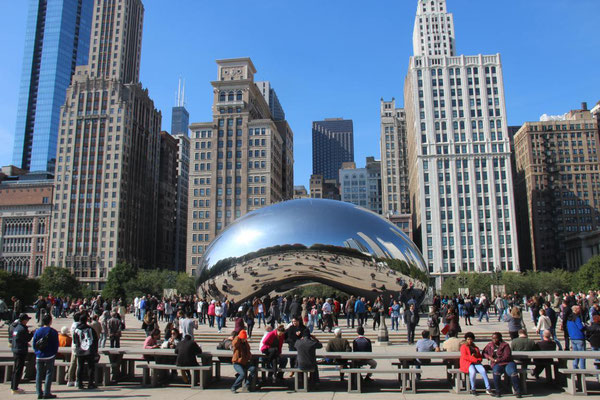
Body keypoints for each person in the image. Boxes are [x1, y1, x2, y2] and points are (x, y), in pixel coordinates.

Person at [483, 332, 522, 398]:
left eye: (496, 338)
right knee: (496, 373)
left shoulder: (505, 345)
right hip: (497, 364)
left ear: (500, 338)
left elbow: (507, 356)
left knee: (513, 373)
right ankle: (498, 391)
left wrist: (496, 360)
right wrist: (489, 357)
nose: (494, 340)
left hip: (507, 362)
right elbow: (484, 352)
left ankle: (517, 391)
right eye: (493, 338)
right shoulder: (490, 345)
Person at [33, 313, 59, 399]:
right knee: (49, 373)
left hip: (39, 355)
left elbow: (34, 343)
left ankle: (38, 392)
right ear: (50, 321)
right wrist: (54, 352)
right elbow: (56, 344)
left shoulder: (37, 331)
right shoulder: (53, 332)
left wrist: (36, 352)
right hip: (50, 355)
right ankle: (47, 392)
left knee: (39, 374)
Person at [73, 314, 99, 389]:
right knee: (91, 367)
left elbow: (75, 341)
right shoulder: (90, 329)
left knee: (80, 367)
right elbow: (95, 340)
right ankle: (90, 383)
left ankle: (79, 383)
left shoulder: (77, 330)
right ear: (86, 320)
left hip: (80, 350)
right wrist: (95, 350)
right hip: (89, 350)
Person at [10, 313, 33, 394]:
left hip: (15, 349)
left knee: (15, 369)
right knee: (18, 370)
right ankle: (15, 388)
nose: (27, 321)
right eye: (27, 319)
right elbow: (27, 339)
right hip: (20, 351)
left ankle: (13, 386)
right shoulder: (22, 329)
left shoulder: (16, 327)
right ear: (23, 320)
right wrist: (32, 333)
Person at [567, 305, 586, 369]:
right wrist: (585, 327)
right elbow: (580, 327)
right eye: (579, 309)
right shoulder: (577, 318)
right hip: (579, 336)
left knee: (575, 354)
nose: (580, 310)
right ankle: (582, 369)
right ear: (576, 310)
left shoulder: (569, 317)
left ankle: (575, 367)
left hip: (572, 337)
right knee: (582, 355)